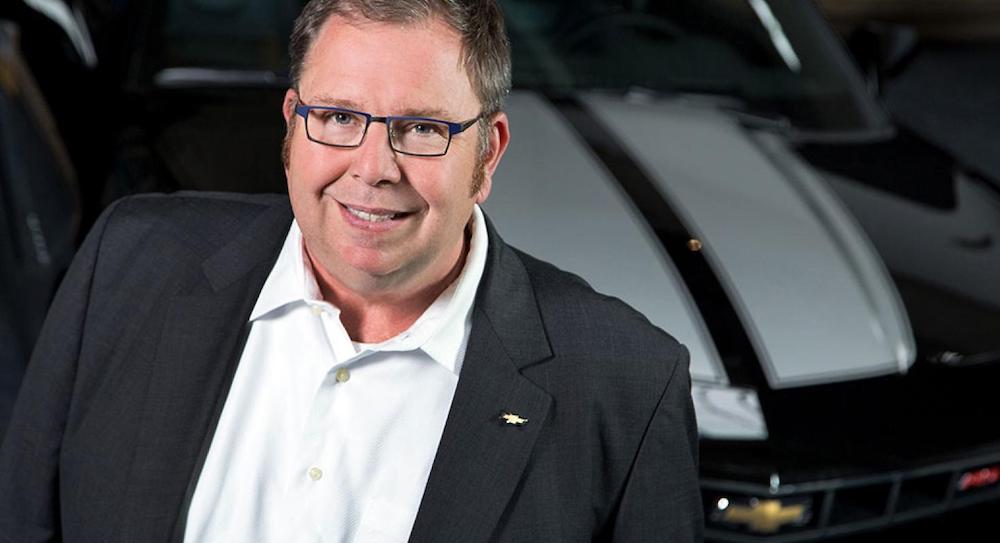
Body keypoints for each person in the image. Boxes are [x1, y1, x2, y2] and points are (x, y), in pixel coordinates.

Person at [0, 0, 703, 541]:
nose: (372, 168)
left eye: (422, 129)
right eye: (337, 116)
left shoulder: (625, 387)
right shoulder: (128, 263)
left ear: (487, 155)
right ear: (290, 126)